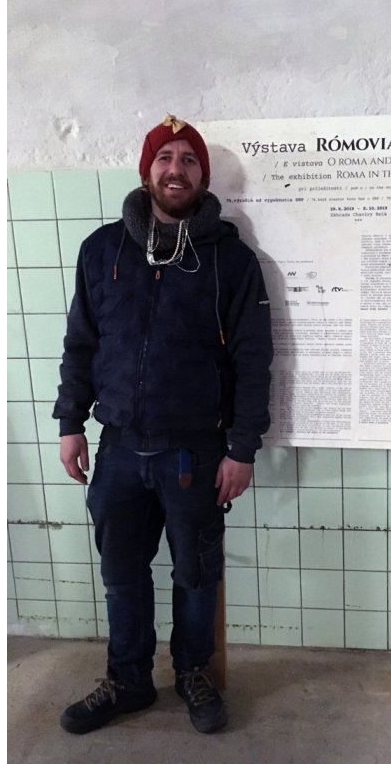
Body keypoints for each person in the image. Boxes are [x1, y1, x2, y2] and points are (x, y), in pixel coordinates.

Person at [52, 114, 273, 735]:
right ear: (147, 171)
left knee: (196, 575)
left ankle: (194, 674)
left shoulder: (231, 260)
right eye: (165, 158)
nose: (177, 170)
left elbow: (253, 359)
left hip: (194, 453)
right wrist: (71, 422)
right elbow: (81, 344)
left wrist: (242, 448)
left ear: (203, 175)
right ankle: (128, 681)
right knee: (121, 576)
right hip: (119, 449)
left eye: (189, 160)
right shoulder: (102, 250)